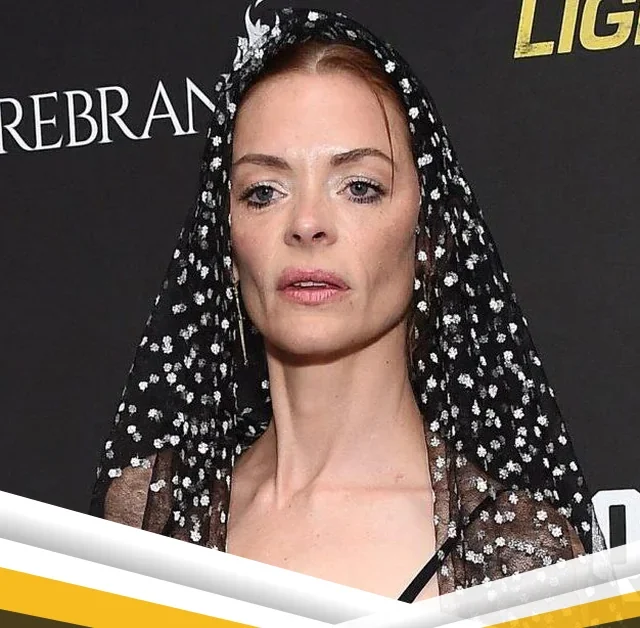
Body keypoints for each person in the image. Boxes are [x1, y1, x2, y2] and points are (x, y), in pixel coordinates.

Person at [90, 2, 605, 603]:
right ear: (225, 243)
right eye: (263, 192)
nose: (307, 222)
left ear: (429, 237)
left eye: (359, 187)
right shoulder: (149, 515)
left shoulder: (520, 551)